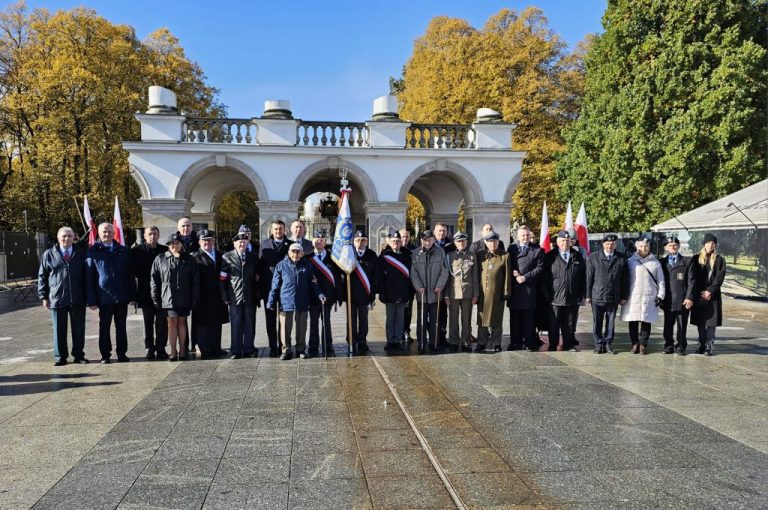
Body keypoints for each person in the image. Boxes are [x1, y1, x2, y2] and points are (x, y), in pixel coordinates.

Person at [38, 226, 89, 366]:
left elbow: (87, 276)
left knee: (79, 330)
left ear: (74, 237)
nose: (67, 238)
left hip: (77, 298)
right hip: (57, 298)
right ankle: (60, 357)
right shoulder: (49, 254)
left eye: (70, 236)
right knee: (59, 330)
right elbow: (42, 276)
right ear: (58, 237)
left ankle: (79, 355)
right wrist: (44, 296)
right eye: (64, 236)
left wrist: (88, 296)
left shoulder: (81, 253)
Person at [86, 223, 134, 363]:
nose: (107, 234)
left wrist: (132, 295)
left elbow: (129, 275)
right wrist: (91, 300)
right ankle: (105, 355)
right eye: (104, 232)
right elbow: (89, 277)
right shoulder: (93, 251)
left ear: (114, 233)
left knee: (121, 327)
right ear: (99, 234)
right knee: (104, 327)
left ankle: (122, 353)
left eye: (109, 232)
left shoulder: (123, 250)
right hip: (104, 296)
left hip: (121, 295)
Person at [267, 243, 325, 360]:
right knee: (285, 328)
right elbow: (275, 285)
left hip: (302, 300)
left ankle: (300, 349)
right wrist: (271, 301)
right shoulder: (281, 265)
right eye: (293, 252)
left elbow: (313, 282)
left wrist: (320, 294)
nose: (295, 254)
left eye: (298, 252)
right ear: (289, 253)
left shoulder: (307, 265)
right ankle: (286, 350)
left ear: (302, 253)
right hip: (286, 301)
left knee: (302, 327)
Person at [151, 233, 199, 361]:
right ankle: (173, 350)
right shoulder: (160, 258)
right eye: (172, 244)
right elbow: (154, 280)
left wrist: (194, 297)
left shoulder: (189, 259)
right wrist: (155, 298)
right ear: (168, 245)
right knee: (172, 323)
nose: (175, 246)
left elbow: (195, 280)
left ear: (181, 245)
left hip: (184, 296)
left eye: (177, 243)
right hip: (167, 297)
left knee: (182, 322)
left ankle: (182, 349)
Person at [130, 226, 169, 360]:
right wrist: (133, 295)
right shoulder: (136, 251)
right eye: (150, 234)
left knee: (162, 323)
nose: (152, 236)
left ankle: (161, 347)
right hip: (145, 292)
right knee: (148, 323)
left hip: (162, 293)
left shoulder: (165, 250)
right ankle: (149, 348)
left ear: (159, 235)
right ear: (145, 236)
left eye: (155, 234)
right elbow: (133, 273)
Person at [620, 238, 665, 355]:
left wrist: (661, 295)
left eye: (646, 246)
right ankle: (635, 343)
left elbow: (661, 281)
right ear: (637, 247)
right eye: (641, 246)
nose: (643, 248)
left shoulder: (655, 262)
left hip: (649, 295)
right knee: (633, 321)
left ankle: (643, 344)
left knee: (646, 321)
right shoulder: (630, 261)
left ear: (649, 247)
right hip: (633, 296)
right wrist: (622, 295)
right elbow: (624, 279)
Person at [586, 233, 629, 354]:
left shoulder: (622, 258)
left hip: (614, 296)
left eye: (612, 244)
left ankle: (608, 343)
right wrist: (588, 295)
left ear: (615, 244)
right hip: (597, 295)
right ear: (603, 244)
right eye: (607, 244)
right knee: (597, 321)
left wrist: (624, 296)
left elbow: (625, 279)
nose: (609, 246)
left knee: (611, 322)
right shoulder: (593, 257)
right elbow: (589, 277)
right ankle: (598, 344)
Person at [543, 230, 586, 352]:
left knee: (569, 323)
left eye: (567, 240)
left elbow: (583, 276)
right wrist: (546, 293)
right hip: (554, 297)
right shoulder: (550, 256)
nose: (565, 243)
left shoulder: (577, 256)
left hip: (572, 296)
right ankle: (553, 344)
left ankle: (568, 345)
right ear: (557, 242)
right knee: (553, 323)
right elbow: (544, 277)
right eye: (562, 241)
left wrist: (582, 294)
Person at [337, 230, 378, 354]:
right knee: (351, 319)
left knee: (363, 320)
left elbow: (375, 275)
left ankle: (362, 341)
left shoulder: (371, 255)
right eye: (357, 240)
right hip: (351, 293)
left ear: (367, 242)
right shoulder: (349, 254)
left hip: (365, 294)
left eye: (363, 240)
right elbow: (341, 274)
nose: (360, 243)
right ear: (353, 242)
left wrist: (373, 292)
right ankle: (351, 340)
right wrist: (343, 293)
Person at [221, 232, 260, 359]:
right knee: (236, 324)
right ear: (234, 244)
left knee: (250, 324)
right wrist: (225, 296)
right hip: (234, 295)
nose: (242, 244)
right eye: (239, 242)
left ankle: (249, 349)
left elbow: (257, 276)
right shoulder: (227, 257)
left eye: (244, 242)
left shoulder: (253, 257)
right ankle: (235, 350)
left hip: (250, 296)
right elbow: (222, 279)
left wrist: (257, 294)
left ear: (247, 243)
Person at [192, 229, 229, 359]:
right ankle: (205, 348)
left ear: (213, 241)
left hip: (218, 295)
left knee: (216, 322)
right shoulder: (195, 257)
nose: (207, 243)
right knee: (203, 323)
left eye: (209, 240)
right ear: (199, 242)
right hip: (202, 295)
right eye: (204, 240)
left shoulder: (220, 255)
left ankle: (216, 347)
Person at [411, 229, 450, 353]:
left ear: (433, 240)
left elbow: (445, 270)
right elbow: (413, 272)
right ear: (421, 240)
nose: (427, 242)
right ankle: (421, 342)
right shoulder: (416, 253)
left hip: (435, 293)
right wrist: (418, 286)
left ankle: (434, 342)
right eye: (425, 240)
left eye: (430, 240)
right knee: (421, 320)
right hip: (422, 293)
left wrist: (439, 286)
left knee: (435, 320)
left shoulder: (440, 252)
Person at [507, 226, 544, 351]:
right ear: (517, 236)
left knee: (529, 319)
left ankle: (528, 342)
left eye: (527, 235)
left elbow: (540, 268)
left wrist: (525, 277)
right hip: (515, 288)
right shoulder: (512, 249)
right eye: (523, 235)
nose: (525, 237)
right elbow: (507, 264)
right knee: (515, 318)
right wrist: (513, 271)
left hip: (529, 289)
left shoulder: (537, 250)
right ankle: (515, 343)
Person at [259, 220, 292, 357]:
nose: (278, 231)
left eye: (280, 229)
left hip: (285, 287)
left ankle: (284, 346)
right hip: (269, 287)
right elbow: (260, 266)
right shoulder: (264, 244)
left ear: (285, 230)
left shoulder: (290, 244)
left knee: (284, 319)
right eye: (276, 229)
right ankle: (273, 347)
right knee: (270, 319)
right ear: (271, 230)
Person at [690, 234, 726, 356]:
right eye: (708, 243)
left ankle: (709, 345)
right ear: (704, 244)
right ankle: (701, 344)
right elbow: (692, 277)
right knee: (700, 321)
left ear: (715, 245)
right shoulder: (696, 259)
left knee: (711, 322)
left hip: (713, 295)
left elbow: (719, 277)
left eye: (713, 243)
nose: (711, 245)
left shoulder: (720, 260)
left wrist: (710, 291)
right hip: (698, 294)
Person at [476, 231, 511, 352]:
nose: (493, 244)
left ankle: (496, 343)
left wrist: (506, 292)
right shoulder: (480, 255)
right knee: (482, 318)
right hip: (482, 293)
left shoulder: (504, 256)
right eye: (490, 242)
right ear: (486, 242)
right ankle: (481, 342)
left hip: (497, 294)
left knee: (496, 319)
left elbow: (507, 276)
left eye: (495, 242)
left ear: (498, 242)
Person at [306, 230, 340, 357]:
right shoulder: (308, 258)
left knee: (326, 321)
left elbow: (337, 277)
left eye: (321, 239)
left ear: (325, 242)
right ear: (312, 242)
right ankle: (313, 345)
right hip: (313, 296)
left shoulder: (333, 258)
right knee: (313, 321)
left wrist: (338, 296)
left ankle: (327, 344)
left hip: (328, 296)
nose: (319, 241)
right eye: (316, 239)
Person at [378, 231, 413, 352]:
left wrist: (409, 292)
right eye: (393, 241)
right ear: (389, 242)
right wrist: (381, 292)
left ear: (401, 242)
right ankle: (390, 341)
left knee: (400, 319)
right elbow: (380, 277)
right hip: (389, 293)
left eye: (398, 241)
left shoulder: (407, 256)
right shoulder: (384, 257)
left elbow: (410, 276)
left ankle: (397, 341)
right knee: (390, 318)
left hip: (402, 292)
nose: (396, 243)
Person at [660, 236, 695, 355]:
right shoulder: (661, 262)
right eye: (670, 245)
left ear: (679, 246)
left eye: (675, 245)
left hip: (682, 299)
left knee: (682, 325)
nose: (673, 247)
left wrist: (689, 297)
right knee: (668, 324)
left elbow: (691, 281)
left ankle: (681, 346)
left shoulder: (687, 261)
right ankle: (669, 345)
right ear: (665, 247)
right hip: (668, 299)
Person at [444, 231, 478, 352]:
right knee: (453, 318)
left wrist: (476, 294)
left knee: (466, 319)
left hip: (468, 292)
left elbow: (475, 276)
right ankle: (453, 341)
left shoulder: (472, 256)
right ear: (455, 242)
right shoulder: (449, 256)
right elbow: (447, 277)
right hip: (453, 292)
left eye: (463, 241)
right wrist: (446, 295)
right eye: (458, 241)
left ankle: (466, 341)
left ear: (467, 242)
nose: (461, 243)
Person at [399, 228, 417, 343]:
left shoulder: (414, 250)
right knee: (398, 311)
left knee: (408, 311)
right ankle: (397, 332)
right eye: (402, 237)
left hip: (410, 286)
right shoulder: (394, 249)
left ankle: (406, 331)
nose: (404, 239)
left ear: (409, 238)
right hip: (397, 286)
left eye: (406, 237)